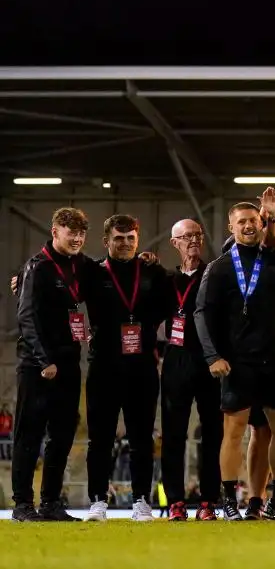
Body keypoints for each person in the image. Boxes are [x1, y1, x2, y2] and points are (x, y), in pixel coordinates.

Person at [194, 192, 275, 520]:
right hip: (237, 362)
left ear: (261, 223)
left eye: (253, 221)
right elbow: (201, 313)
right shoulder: (219, 268)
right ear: (231, 226)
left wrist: (273, 218)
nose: (247, 226)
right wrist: (213, 356)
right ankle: (228, 500)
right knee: (234, 430)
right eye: (241, 221)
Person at [10, 207, 92, 522]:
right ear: (55, 231)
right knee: (28, 435)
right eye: (71, 233)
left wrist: (145, 261)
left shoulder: (81, 265)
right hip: (37, 365)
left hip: (69, 364)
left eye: (82, 234)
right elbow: (26, 317)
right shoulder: (37, 268)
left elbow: (106, 271)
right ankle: (22, 505)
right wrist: (43, 360)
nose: (77, 239)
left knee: (62, 434)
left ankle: (51, 503)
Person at [83, 214, 166, 522]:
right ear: (107, 241)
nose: (126, 243)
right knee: (100, 438)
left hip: (142, 365)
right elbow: (60, 288)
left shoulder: (152, 272)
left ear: (138, 239)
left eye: (131, 238)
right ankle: (97, 502)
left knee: (142, 437)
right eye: (119, 238)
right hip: (103, 364)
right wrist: (23, 278)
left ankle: (142, 501)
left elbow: (171, 304)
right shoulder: (92, 272)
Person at [160, 218, 221, 521]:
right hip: (176, 359)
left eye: (198, 235)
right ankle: (175, 502)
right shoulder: (165, 280)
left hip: (210, 359)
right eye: (187, 237)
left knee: (212, 433)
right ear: (175, 243)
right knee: (173, 434)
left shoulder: (215, 273)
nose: (194, 240)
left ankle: (209, 501)